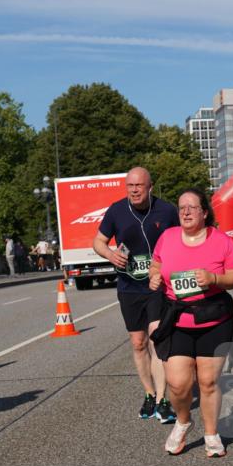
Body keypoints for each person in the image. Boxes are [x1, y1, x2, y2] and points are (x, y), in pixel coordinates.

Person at [148, 188, 233, 457]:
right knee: (177, 384)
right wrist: (154, 277)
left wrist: (214, 279)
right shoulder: (167, 237)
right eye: (181, 208)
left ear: (204, 212)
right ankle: (183, 421)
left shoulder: (221, 241)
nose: (186, 212)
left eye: (192, 207)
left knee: (208, 382)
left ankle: (212, 435)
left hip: (214, 319)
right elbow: (156, 265)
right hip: (176, 319)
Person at [94, 166, 179, 422]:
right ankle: (150, 394)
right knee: (138, 343)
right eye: (130, 186)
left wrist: (165, 268)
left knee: (155, 339)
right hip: (129, 287)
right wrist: (110, 254)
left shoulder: (166, 211)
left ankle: (164, 399)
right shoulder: (116, 210)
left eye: (138, 186)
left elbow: (179, 241)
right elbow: (98, 241)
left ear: (150, 187)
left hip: (157, 286)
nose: (134, 190)